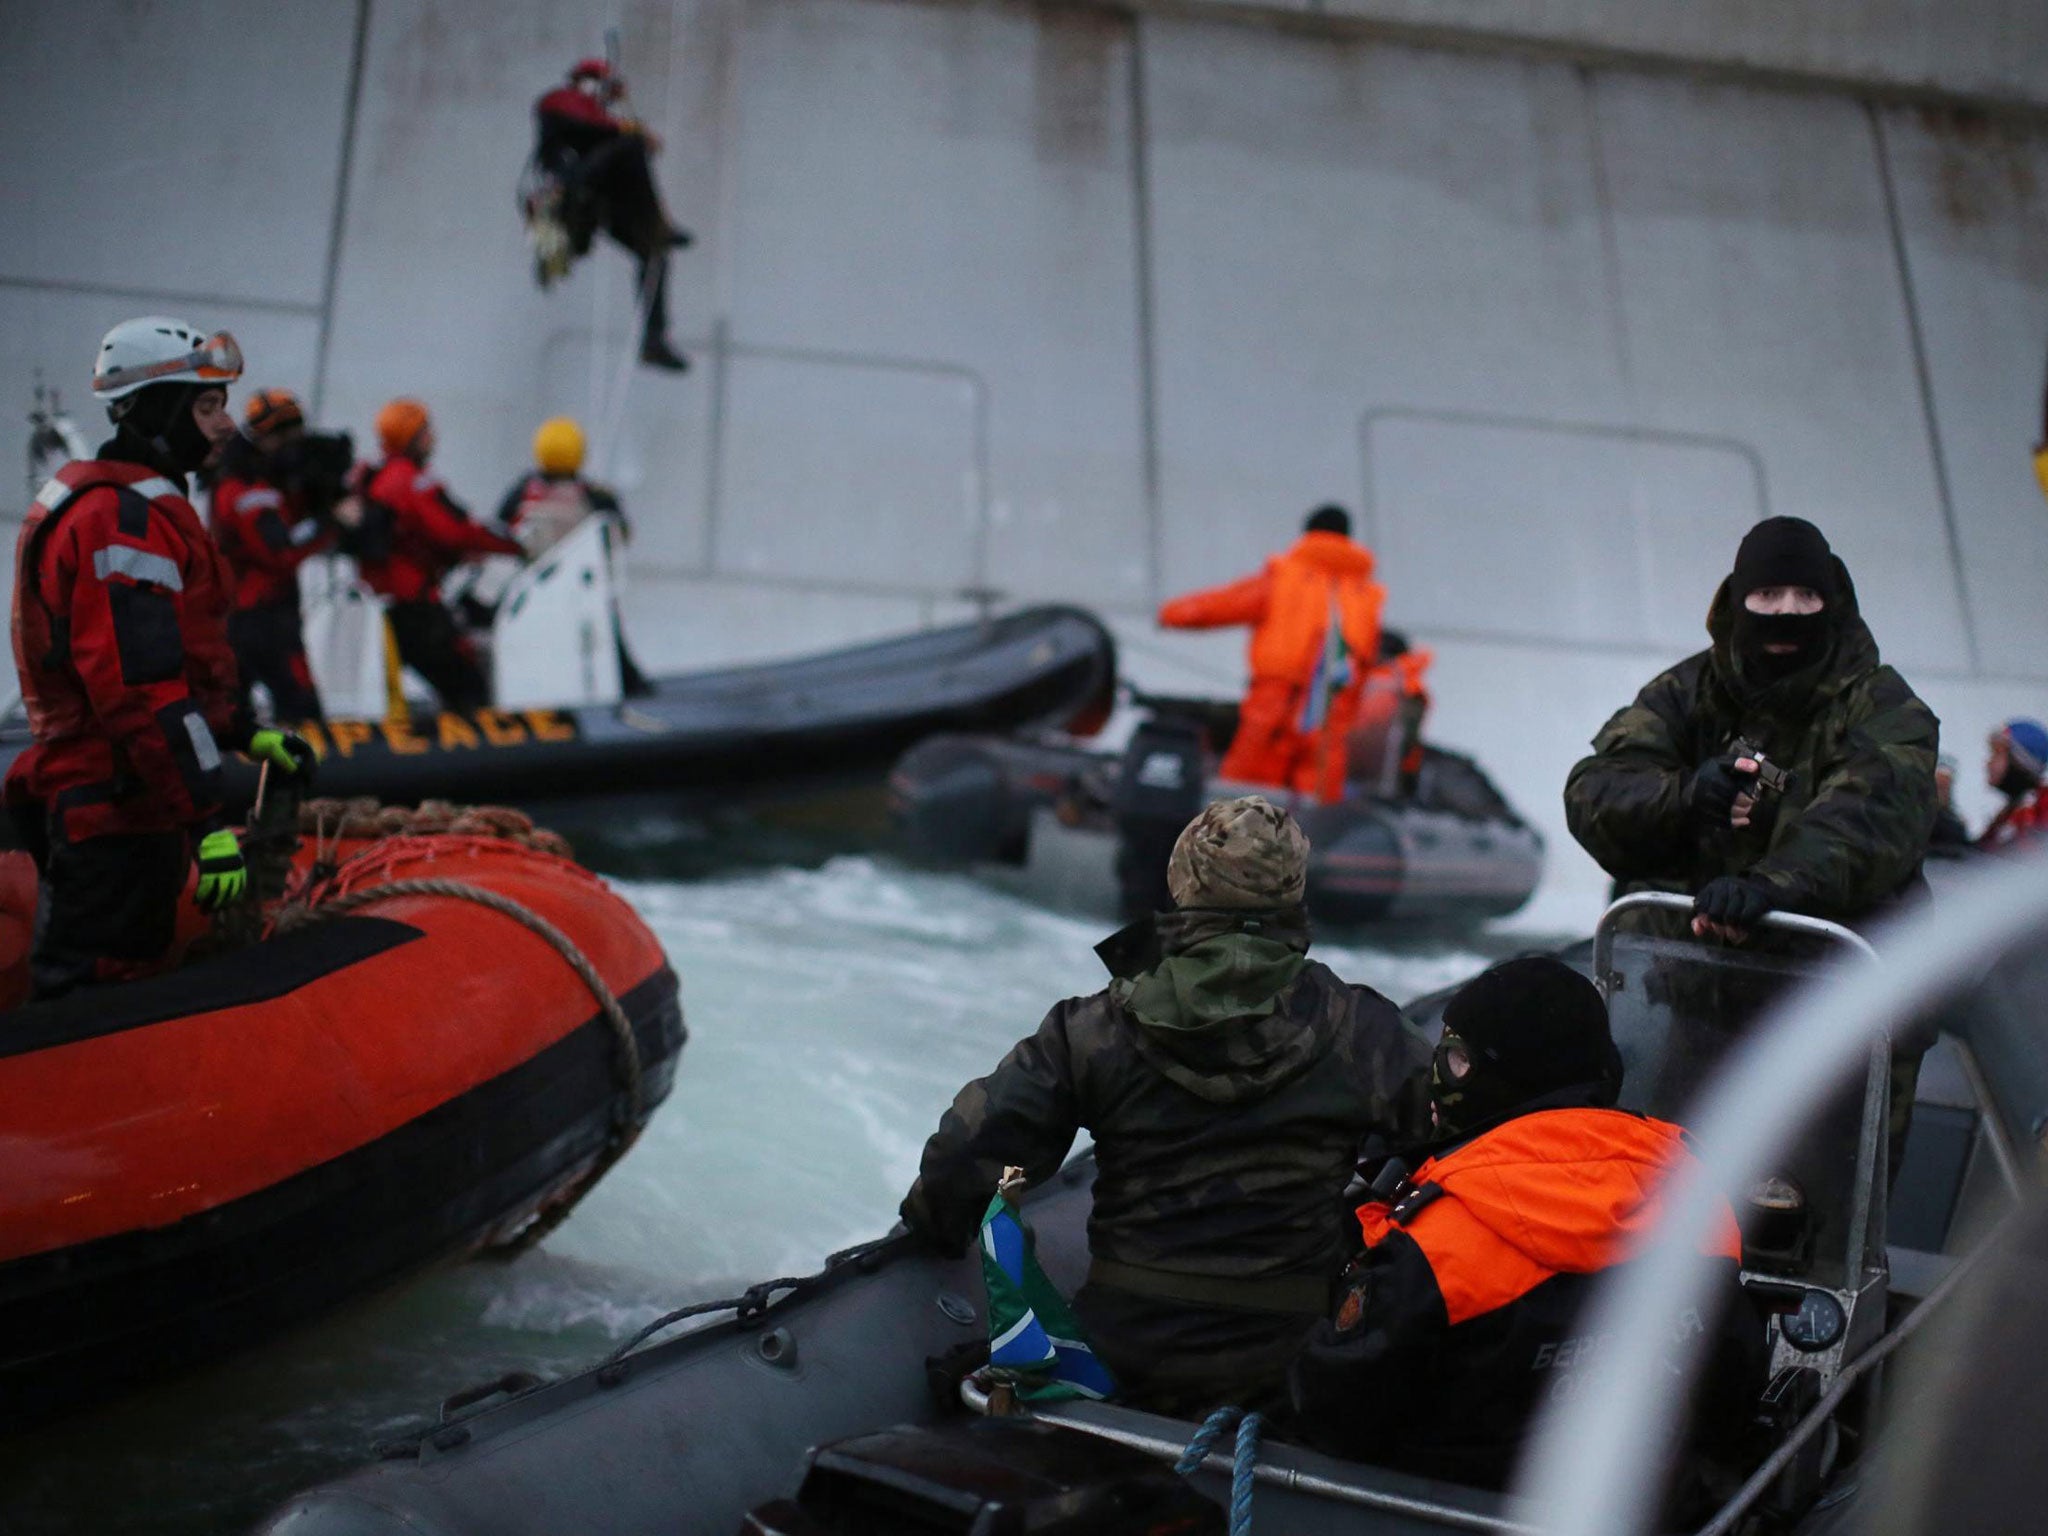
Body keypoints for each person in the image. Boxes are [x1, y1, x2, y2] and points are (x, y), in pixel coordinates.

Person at [900, 796, 1432, 1415]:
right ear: (1293, 892)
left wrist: (937, 1231)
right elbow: (1456, 1139)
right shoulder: (1365, 1030)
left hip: (1127, 1351)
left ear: (1182, 883)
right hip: (1286, 1363)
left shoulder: (1094, 1027)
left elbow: (972, 1148)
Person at [1289, 957, 1765, 1494]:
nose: (1441, 1078)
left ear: (1507, 1079)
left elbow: (1333, 1409)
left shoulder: (1434, 1246)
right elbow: (1733, 1386)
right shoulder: (1696, 1198)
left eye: (1458, 1060)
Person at [8, 318, 314, 996]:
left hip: (131, 805)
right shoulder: (118, 520)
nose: (226, 425)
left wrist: (243, 731)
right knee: (91, 992)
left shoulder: (136, 506)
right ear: (156, 410)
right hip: (112, 816)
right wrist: (207, 822)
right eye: (207, 407)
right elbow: (141, 692)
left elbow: (177, 665)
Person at [1565, 516, 1940, 941]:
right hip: (1682, 974)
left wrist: (1771, 887)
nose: (1787, 611)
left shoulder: (1885, 705)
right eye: (1767, 595)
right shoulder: (1685, 692)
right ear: (1739, 599)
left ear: (1831, 604)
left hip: (1837, 984)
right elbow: (1595, 792)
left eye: (1807, 595)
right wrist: (1684, 796)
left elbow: (1871, 819)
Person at [1158, 506, 1387, 803]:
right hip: (1331, 705)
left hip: (1276, 700)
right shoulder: (1367, 596)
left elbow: (1222, 605)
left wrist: (1170, 614)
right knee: (1316, 801)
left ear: (1308, 533)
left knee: (1244, 794)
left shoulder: (1283, 577)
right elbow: (1366, 662)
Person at [356, 399, 525, 714]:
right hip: (416, 607)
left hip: (383, 606)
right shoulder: (411, 481)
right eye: (426, 430)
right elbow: (455, 531)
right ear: (413, 437)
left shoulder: (376, 478)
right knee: (468, 684)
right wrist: (514, 546)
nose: (433, 437)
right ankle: (475, 754)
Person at [531, 58, 691, 372]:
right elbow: (584, 119)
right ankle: (658, 225)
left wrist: (626, 126)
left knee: (654, 254)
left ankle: (654, 341)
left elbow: (606, 139)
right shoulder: (559, 101)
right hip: (570, 194)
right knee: (631, 144)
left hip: (595, 203)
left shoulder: (601, 124)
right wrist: (632, 130)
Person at [210, 387, 342, 723]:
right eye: (288, 436)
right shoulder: (246, 491)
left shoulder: (258, 484)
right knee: (302, 711)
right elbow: (278, 552)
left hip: (249, 617)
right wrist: (331, 522)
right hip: (260, 618)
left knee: (236, 713)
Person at [496, 416, 650, 695]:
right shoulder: (595, 497)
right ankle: (629, 682)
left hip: (531, 588)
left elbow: (500, 530)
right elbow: (619, 536)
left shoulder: (521, 493)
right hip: (581, 589)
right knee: (607, 623)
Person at [1977, 718, 2048, 850]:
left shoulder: (2039, 808)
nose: (1988, 762)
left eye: (1997, 753)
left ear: (2020, 761)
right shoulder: (2013, 810)